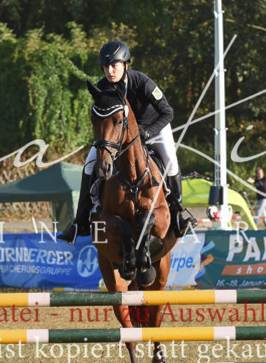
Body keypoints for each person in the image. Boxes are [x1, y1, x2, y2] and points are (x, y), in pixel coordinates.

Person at [59, 40, 196, 243]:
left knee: (170, 161)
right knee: (89, 165)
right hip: (120, 136)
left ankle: (178, 214)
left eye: (114, 65)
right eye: (106, 66)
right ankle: (80, 221)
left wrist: (148, 132)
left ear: (125, 65)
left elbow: (167, 112)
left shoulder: (141, 82)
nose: (109, 71)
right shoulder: (102, 87)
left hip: (154, 128)